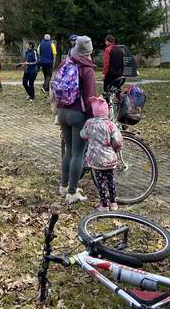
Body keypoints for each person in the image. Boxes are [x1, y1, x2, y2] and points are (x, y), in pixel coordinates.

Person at [58, 36, 97, 204]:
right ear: (89, 51)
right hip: (77, 115)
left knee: (68, 150)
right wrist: (92, 119)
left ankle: (63, 185)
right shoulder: (87, 69)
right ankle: (72, 192)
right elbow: (90, 98)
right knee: (78, 154)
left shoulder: (66, 63)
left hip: (62, 112)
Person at [80, 96, 123, 211]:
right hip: (110, 159)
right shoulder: (110, 125)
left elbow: (83, 135)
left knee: (101, 183)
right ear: (106, 111)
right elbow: (118, 140)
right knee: (111, 180)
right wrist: (117, 148)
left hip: (96, 160)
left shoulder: (89, 123)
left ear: (94, 112)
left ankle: (104, 205)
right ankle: (113, 203)